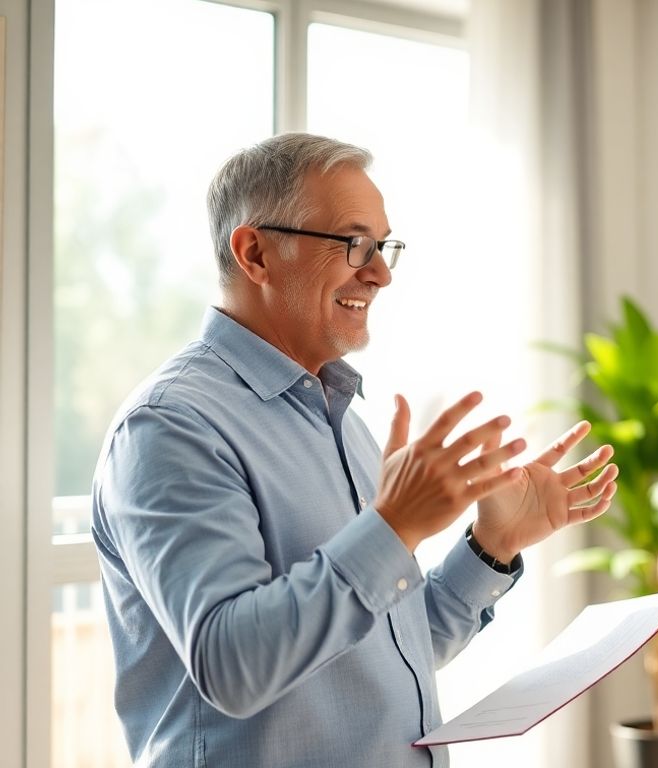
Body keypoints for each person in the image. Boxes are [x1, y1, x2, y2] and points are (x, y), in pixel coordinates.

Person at [91, 132, 618, 767]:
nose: (380, 273)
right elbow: (231, 664)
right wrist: (394, 525)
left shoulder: (345, 421)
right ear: (255, 252)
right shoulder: (171, 427)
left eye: (384, 246)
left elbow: (384, 649)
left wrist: (491, 546)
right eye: (354, 244)